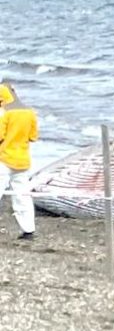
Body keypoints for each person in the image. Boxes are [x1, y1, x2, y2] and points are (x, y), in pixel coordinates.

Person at [0, 82, 39, 240]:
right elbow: (33, 137)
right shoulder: (30, 112)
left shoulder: (4, 114)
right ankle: (28, 229)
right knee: (22, 195)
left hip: (3, 158)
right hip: (23, 160)